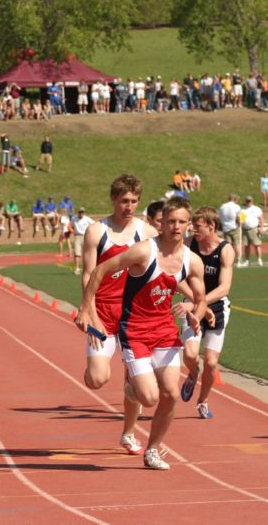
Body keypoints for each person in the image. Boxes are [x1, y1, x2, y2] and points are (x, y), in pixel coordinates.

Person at [80, 197, 206, 470]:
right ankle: (132, 388)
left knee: (170, 394)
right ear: (162, 223)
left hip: (164, 331)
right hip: (135, 331)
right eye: (171, 221)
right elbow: (101, 269)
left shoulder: (191, 260)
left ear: (189, 225)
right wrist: (86, 307)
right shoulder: (143, 251)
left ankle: (153, 450)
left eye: (182, 222)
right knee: (149, 398)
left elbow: (200, 296)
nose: (176, 226)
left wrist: (196, 312)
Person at [75, 174, 159, 456]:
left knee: (134, 383)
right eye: (124, 201)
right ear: (113, 199)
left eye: (134, 201)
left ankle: (129, 433)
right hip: (103, 312)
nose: (129, 206)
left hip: (134, 315)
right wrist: (89, 312)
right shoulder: (97, 232)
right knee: (98, 379)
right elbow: (88, 274)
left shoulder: (146, 233)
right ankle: (90, 371)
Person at [179, 206, 235, 420]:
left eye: (198, 226)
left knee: (211, 362)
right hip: (192, 303)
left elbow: (225, 287)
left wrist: (205, 304)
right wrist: (197, 303)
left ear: (212, 226)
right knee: (191, 355)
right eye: (192, 226)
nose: (193, 230)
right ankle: (193, 373)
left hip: (218, 306)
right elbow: (177, 278)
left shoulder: (225, 250)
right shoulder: (188, 246)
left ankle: (202, 400)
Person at [239, 196, 264, 267]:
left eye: (249, 201)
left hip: (254, 229)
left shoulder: (256, 209)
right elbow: (242, 220)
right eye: (247, 201)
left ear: (252, 201)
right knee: (246, 246)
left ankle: (259, 260)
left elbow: (261, 218)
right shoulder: (242, 209)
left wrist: (261, 228)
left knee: (257, 245)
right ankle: (247, 261)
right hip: (245, 229)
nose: (248, 202)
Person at [218, 194, 242, 266]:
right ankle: (239, 260)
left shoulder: (222, 206)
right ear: (234, 199)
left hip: (225, 227)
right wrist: (240, 223)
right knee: (238, 244)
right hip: (235, 227)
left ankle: (229, 260)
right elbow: (238, 218)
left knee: (228, 246)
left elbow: (220, 217)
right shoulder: (236, 206)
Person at [71, 207, 94, 276]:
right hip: (77, 236)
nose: (81, 214)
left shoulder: (87, 219)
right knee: (77, 253)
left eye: (82, 212)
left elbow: (94, 224)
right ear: (78, 212)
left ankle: (87, 268)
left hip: (85, 236)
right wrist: (72, 231)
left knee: (87, 253)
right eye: (80, 212)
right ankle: (77, 268)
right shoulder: (74, 218)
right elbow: (71, 225)